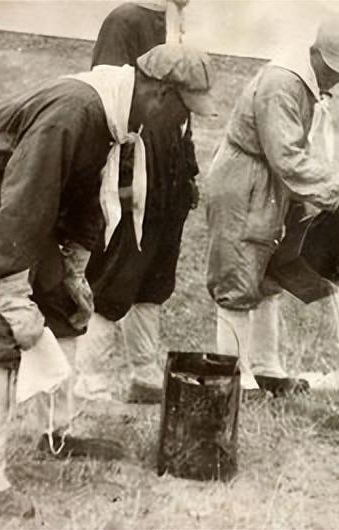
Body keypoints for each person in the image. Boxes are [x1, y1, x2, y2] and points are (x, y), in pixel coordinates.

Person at [0, 42, 217, 518]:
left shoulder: (117, 112)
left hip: (12, 197)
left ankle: (56, 432)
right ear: (162, 95)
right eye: (184, 113)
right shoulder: (78, 109)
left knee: (64, 304)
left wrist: (74, 267)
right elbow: (26, 200)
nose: (182, 127)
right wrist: (15, 291)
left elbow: (81, 192)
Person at [204, 18, 339, 396]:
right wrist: (336, 189)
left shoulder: (301, 85)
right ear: (314, 55)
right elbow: (286, 155)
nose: (336, 79)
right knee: (239, 275)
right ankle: (236, 377)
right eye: (332, 69)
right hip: (246, 182)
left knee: (268, 276)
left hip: (271, 182)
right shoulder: (282, 85)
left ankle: (266, 368)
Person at [74, 0, 206, 405]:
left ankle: (144, 373)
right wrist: (122, 181)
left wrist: (188, 175)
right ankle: (88, 379)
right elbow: (111, 102)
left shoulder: (173, 21)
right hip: (137, 174)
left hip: (169, 184)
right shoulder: (125, 20)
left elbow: (184, 124)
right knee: (116, 278)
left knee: (154, 282)